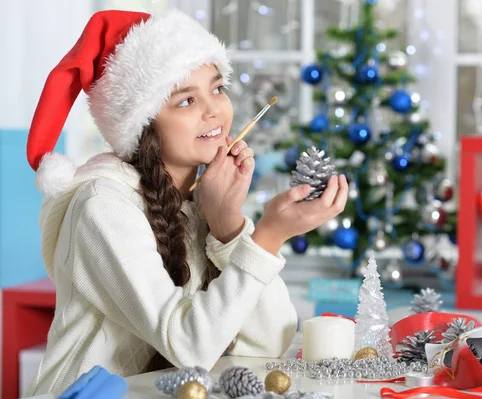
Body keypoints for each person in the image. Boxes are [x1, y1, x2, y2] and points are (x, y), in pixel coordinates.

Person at [25, 9, 348, 396]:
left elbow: (266, 346)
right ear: (142, 124)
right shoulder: (103, 207)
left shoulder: (201, 198)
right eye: (185, 101)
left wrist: (229, 227)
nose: (214, 110)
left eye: (216, 88)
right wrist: (267, 238)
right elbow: (189, 346)